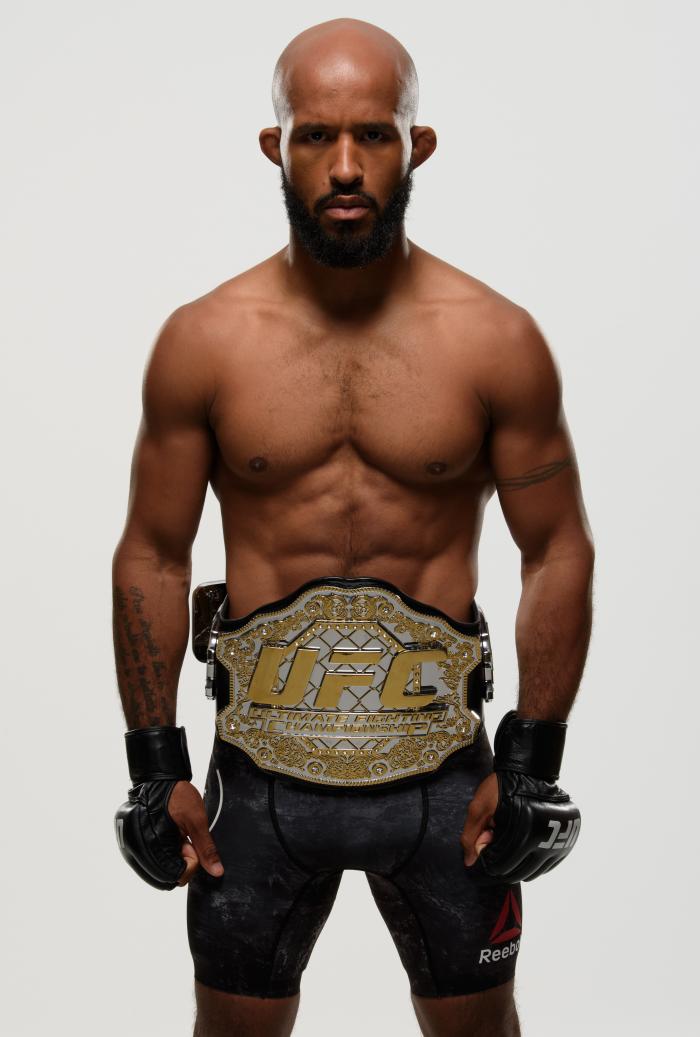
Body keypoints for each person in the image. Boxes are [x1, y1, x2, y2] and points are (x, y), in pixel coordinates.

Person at [112, 17, 594, 1037]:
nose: (343, 165)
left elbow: (555, 545)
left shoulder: (494, 340)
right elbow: (153, 549)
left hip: (444, 781)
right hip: (257, 777)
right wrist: (155, 766)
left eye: (373, 135)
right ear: (273, 146)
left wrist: (532, 757)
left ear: (416, 145)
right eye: (314, 135)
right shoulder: (203, 342)